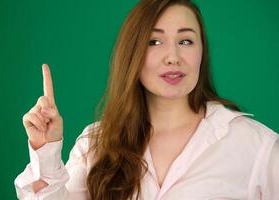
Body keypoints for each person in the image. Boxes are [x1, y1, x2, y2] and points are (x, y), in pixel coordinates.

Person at [14, 0, 279, 199]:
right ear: (133, 55)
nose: (173, 56)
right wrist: (46, 152)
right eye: (154, 42)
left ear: (202, 52)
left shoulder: (257, 147)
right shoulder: (95, 146)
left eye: (186, 41)